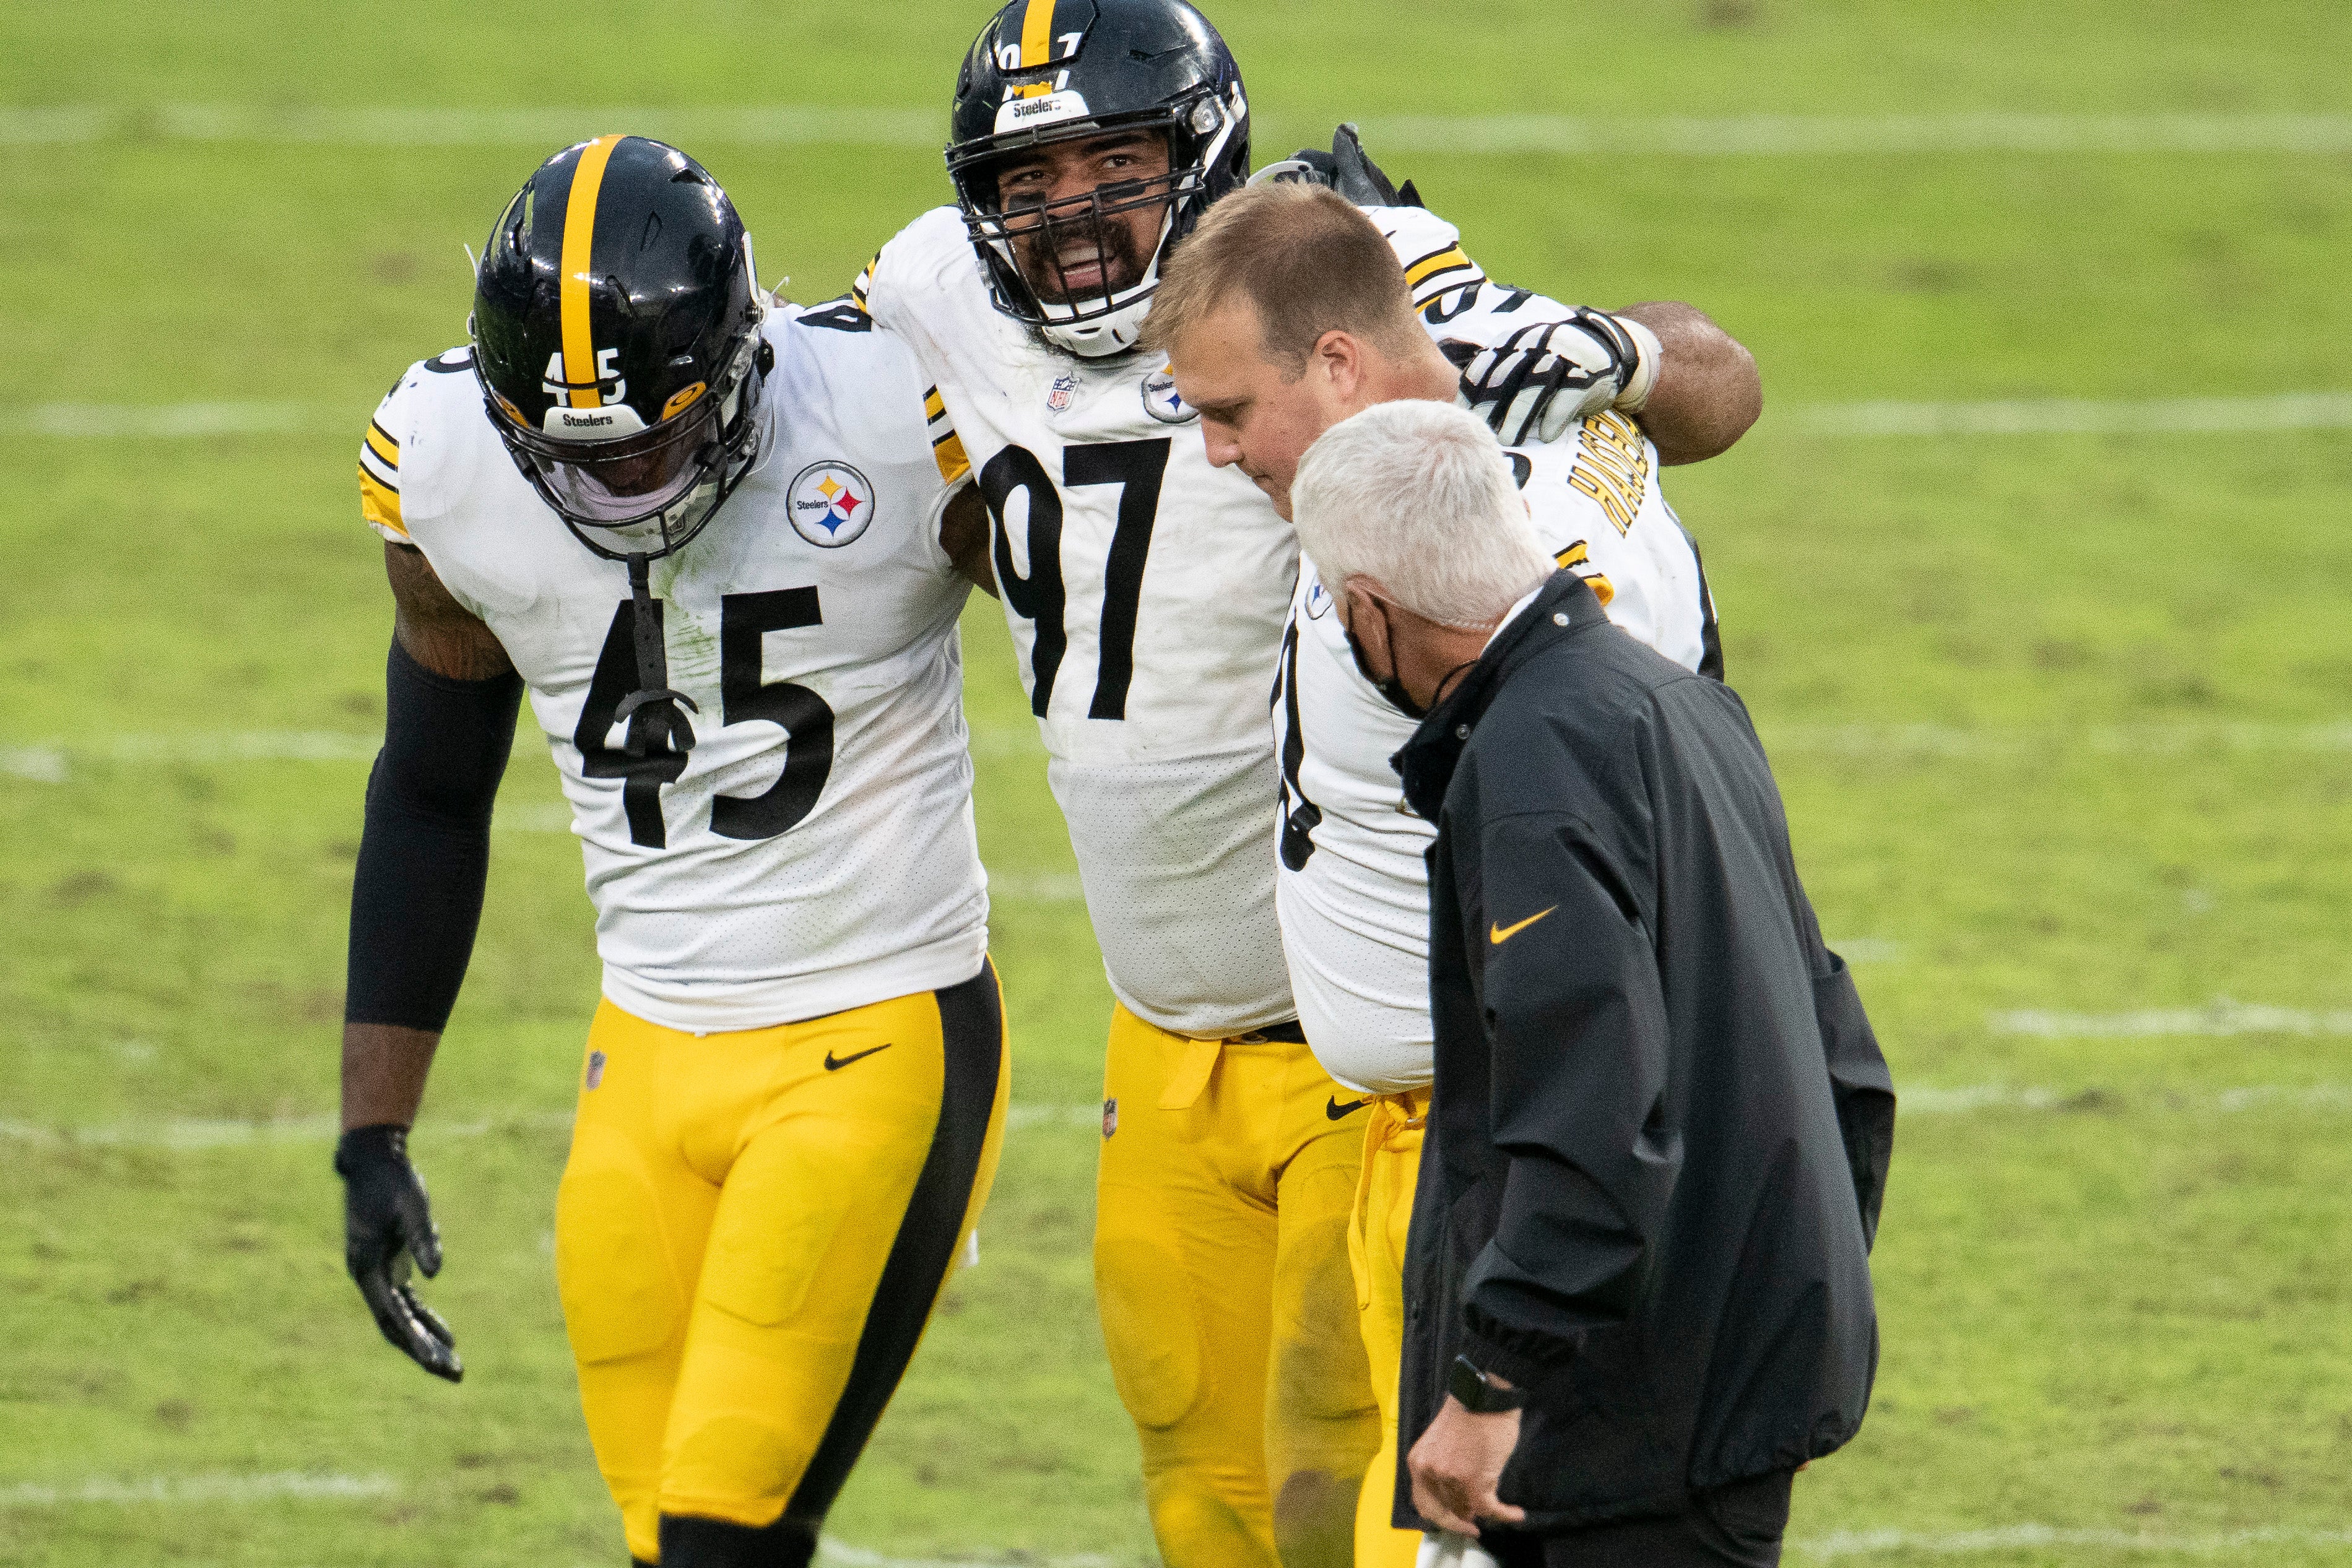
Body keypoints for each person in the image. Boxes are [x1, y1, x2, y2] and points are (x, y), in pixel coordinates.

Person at [848, 2, 1761, 1560]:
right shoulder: (935, 288)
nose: (1068, 214)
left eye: (1114, 163)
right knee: (1204, 1502)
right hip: (1161, 1032)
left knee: (1378, 1513)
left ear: (1200, 151)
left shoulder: (1338, 272)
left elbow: (1715, 394)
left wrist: (1607, 353)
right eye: (1026, 179)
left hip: (1371, 1052)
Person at [333, 135, 1008, 1568]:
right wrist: (370, 1130)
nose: (617, 490)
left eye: (648, 443)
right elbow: (431, 793)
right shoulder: (445, 461)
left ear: (742, 358)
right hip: (640, 1058)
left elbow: (1123, 597)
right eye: (572, 456)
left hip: (877, 1030)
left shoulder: (895, 411)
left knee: (722, 1534)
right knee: (663, 1542)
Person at [1143, 178, 1724, 1568]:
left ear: (1341, 362)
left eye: (1232, 410)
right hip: (1443, 1137)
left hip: (1509, 1157)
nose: (1217, 451)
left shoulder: (1488, 562)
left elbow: (1588, 926)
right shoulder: (1423, 478)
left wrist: (1511, 1330)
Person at [1289, 400, 1895, 1567]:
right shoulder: (1679, 699)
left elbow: (1588, 1108)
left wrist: (1491, 1381)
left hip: (1623, 1419)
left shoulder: (1530, 761)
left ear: (1372, 609)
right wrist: (1790, 1314)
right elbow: (1840, 1053)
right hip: (1730, 1377)